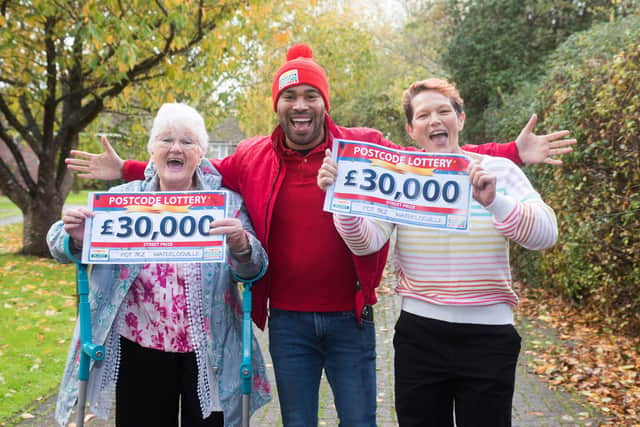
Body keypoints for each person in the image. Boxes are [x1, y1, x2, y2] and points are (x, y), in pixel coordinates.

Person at [65, 45, 574, 427]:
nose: (301, 104)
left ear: (324, 103)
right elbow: (195, 168)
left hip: (352, 320)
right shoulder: (251, 156)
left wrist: (508, 152)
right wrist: (129, 166)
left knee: (358, 420)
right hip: (287, 324)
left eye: (311, 95)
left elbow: (432, 156)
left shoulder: (363, 148)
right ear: (279, 106)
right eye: (291, 96)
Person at [317, 78, 559, 426]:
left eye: (444, 111)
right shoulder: (401, 177)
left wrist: (496, 203)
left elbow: (545, 233)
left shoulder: (499, 170)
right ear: (411, 130)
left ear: (460, 119)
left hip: (489, 337)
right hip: (420, 336)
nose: (434, 120)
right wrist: (343, 203)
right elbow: (367, 241)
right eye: (423, 115)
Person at [47, 103, 271, 427]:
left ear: (201, 155)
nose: (176, 148)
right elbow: (57, 242)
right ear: (152, 151)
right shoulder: (125, 201)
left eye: (187, 142)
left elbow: (253, 270)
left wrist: (242, 246)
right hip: (140, 348)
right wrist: (77, 239)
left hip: (209, 350)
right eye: (165, 140)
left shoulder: (226, 205)